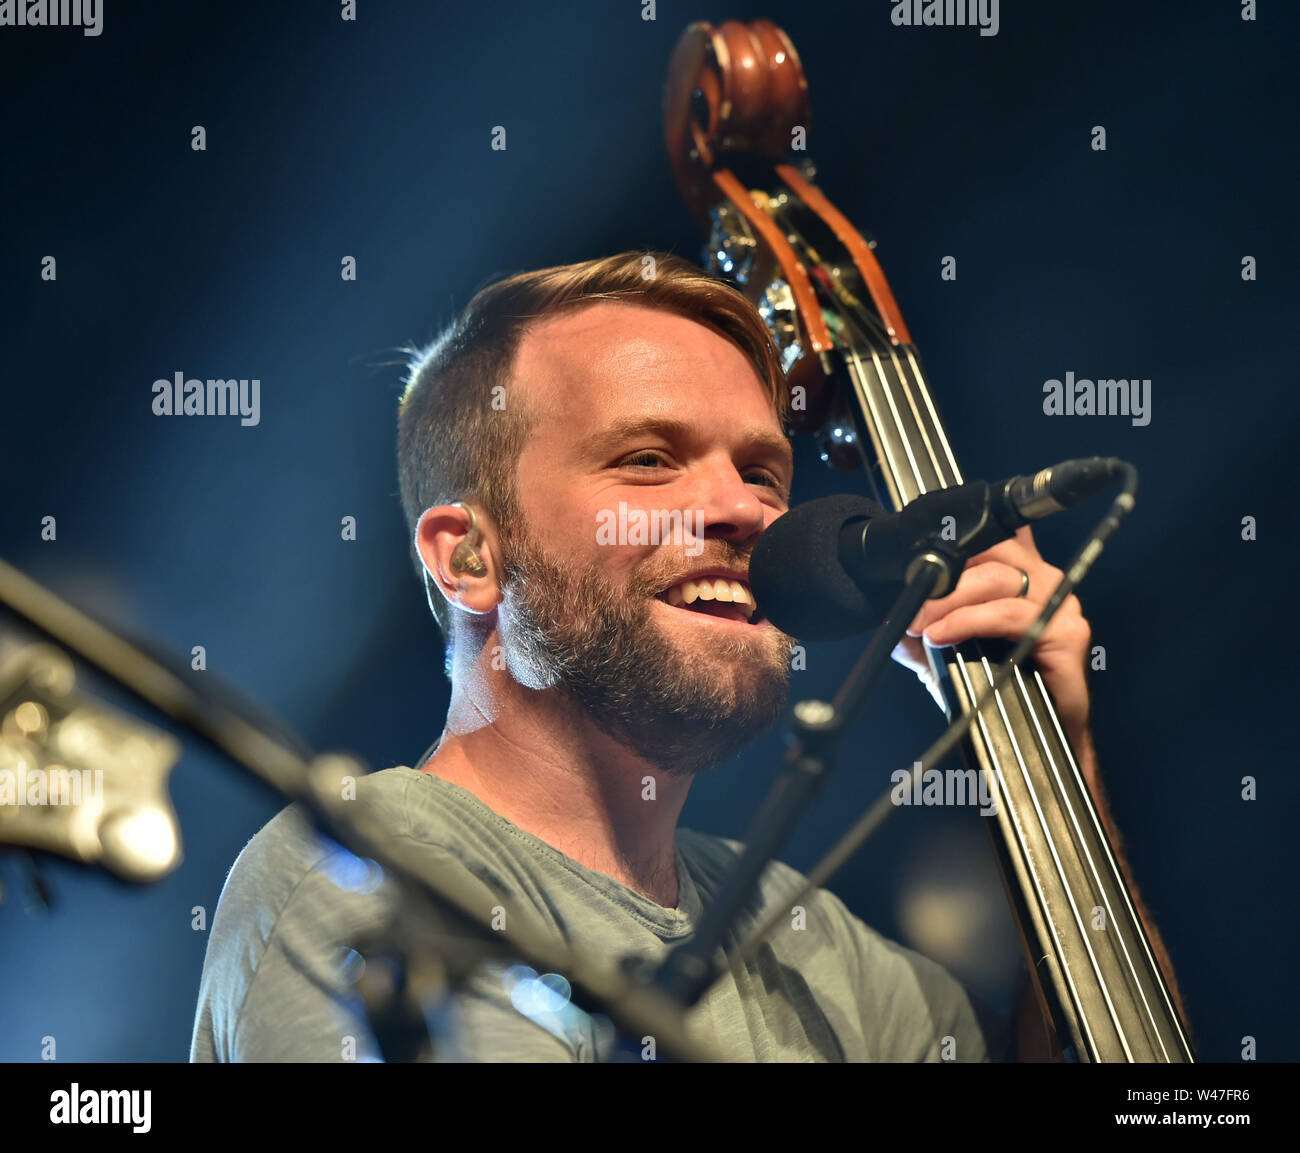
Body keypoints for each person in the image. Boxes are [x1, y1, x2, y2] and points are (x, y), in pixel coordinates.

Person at [189, 252, 1134, 1062]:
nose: (745, 511)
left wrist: (1059, 765)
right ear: (471, 557)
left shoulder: (820, 945)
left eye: (763, 471)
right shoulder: (356, 868)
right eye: (647, 459)